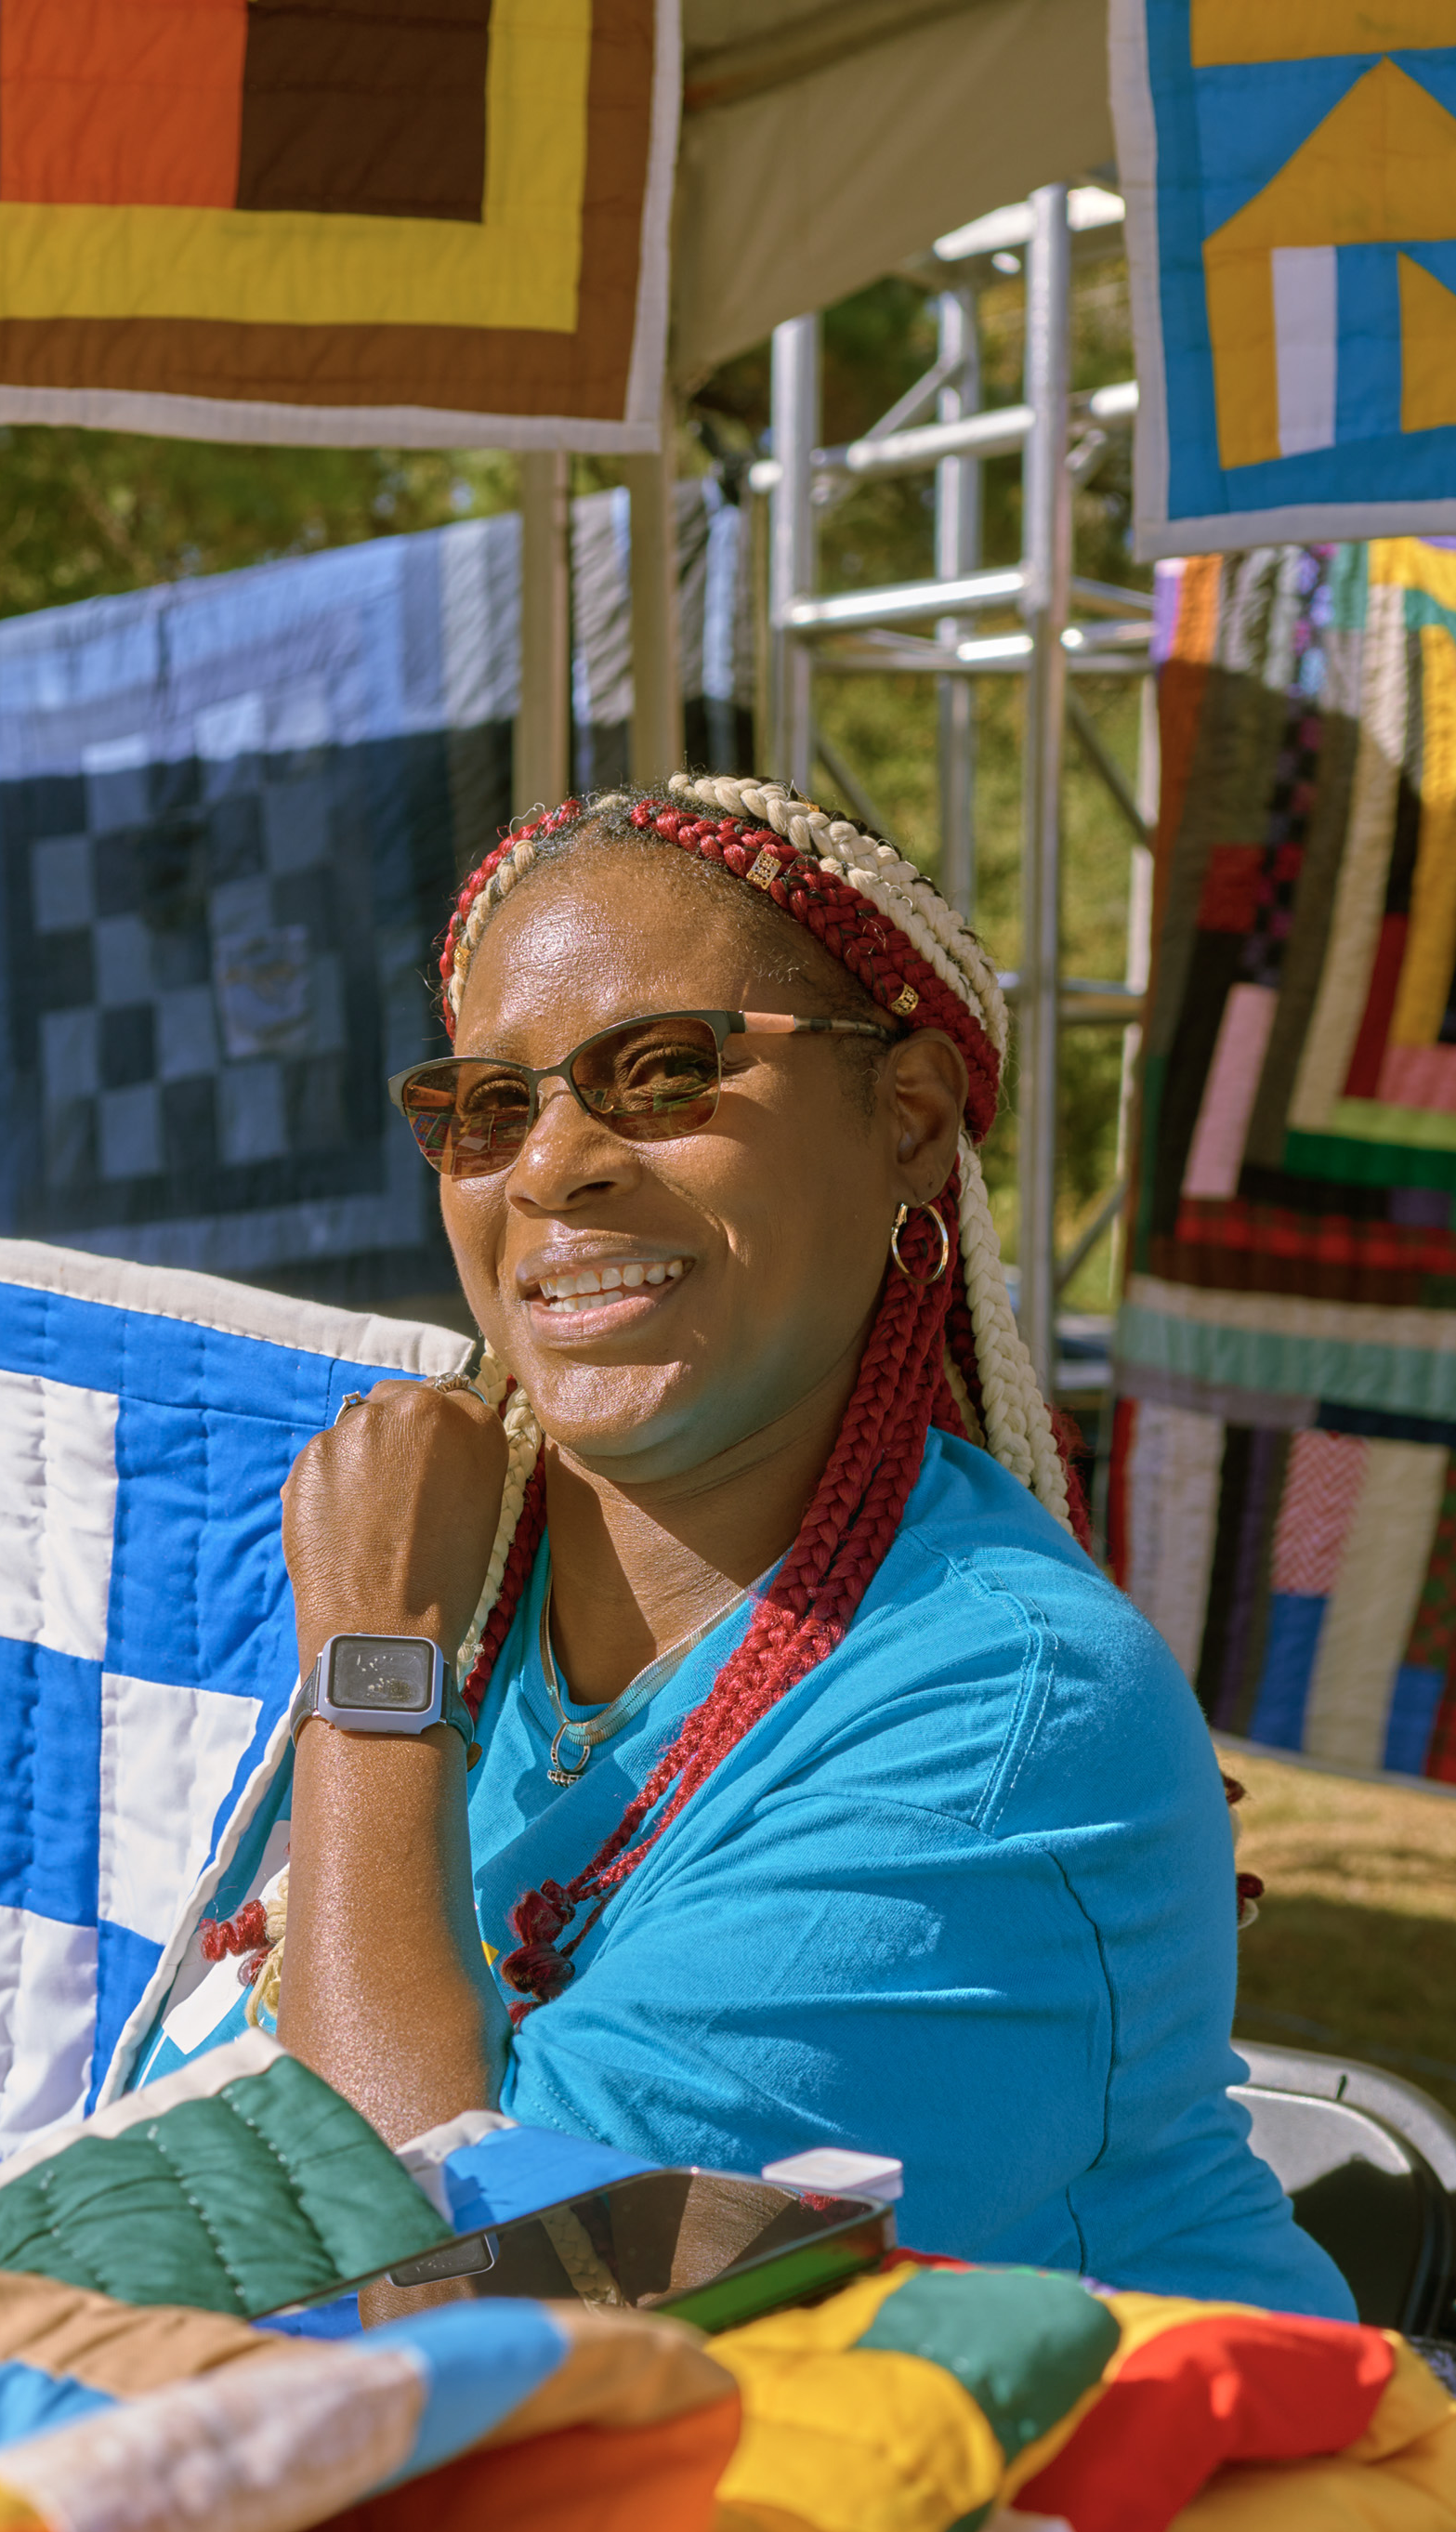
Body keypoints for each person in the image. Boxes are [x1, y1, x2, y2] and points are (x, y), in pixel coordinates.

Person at [171, 775, 1353, 2321]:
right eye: (485, 1107)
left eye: (661, 1074)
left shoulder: (1009, 1715)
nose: (550, 1168)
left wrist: (373, 1668)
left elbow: (422, 2290)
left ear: (909, 1124)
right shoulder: (456, 1595)